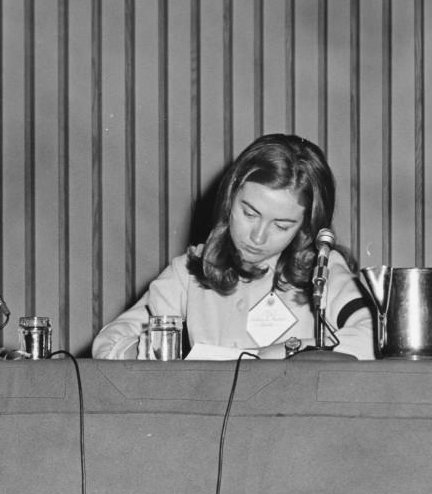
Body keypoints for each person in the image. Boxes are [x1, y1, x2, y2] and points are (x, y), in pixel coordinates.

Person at [93, 133, 374, 360]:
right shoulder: (189, 272)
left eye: (281, 226)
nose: (258, 237)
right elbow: (108, 342)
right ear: (230, 198)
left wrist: (281, 354)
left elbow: (373, 338)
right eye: (250, 214)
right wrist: (142, 350)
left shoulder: (323, 270)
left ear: (306, 226)